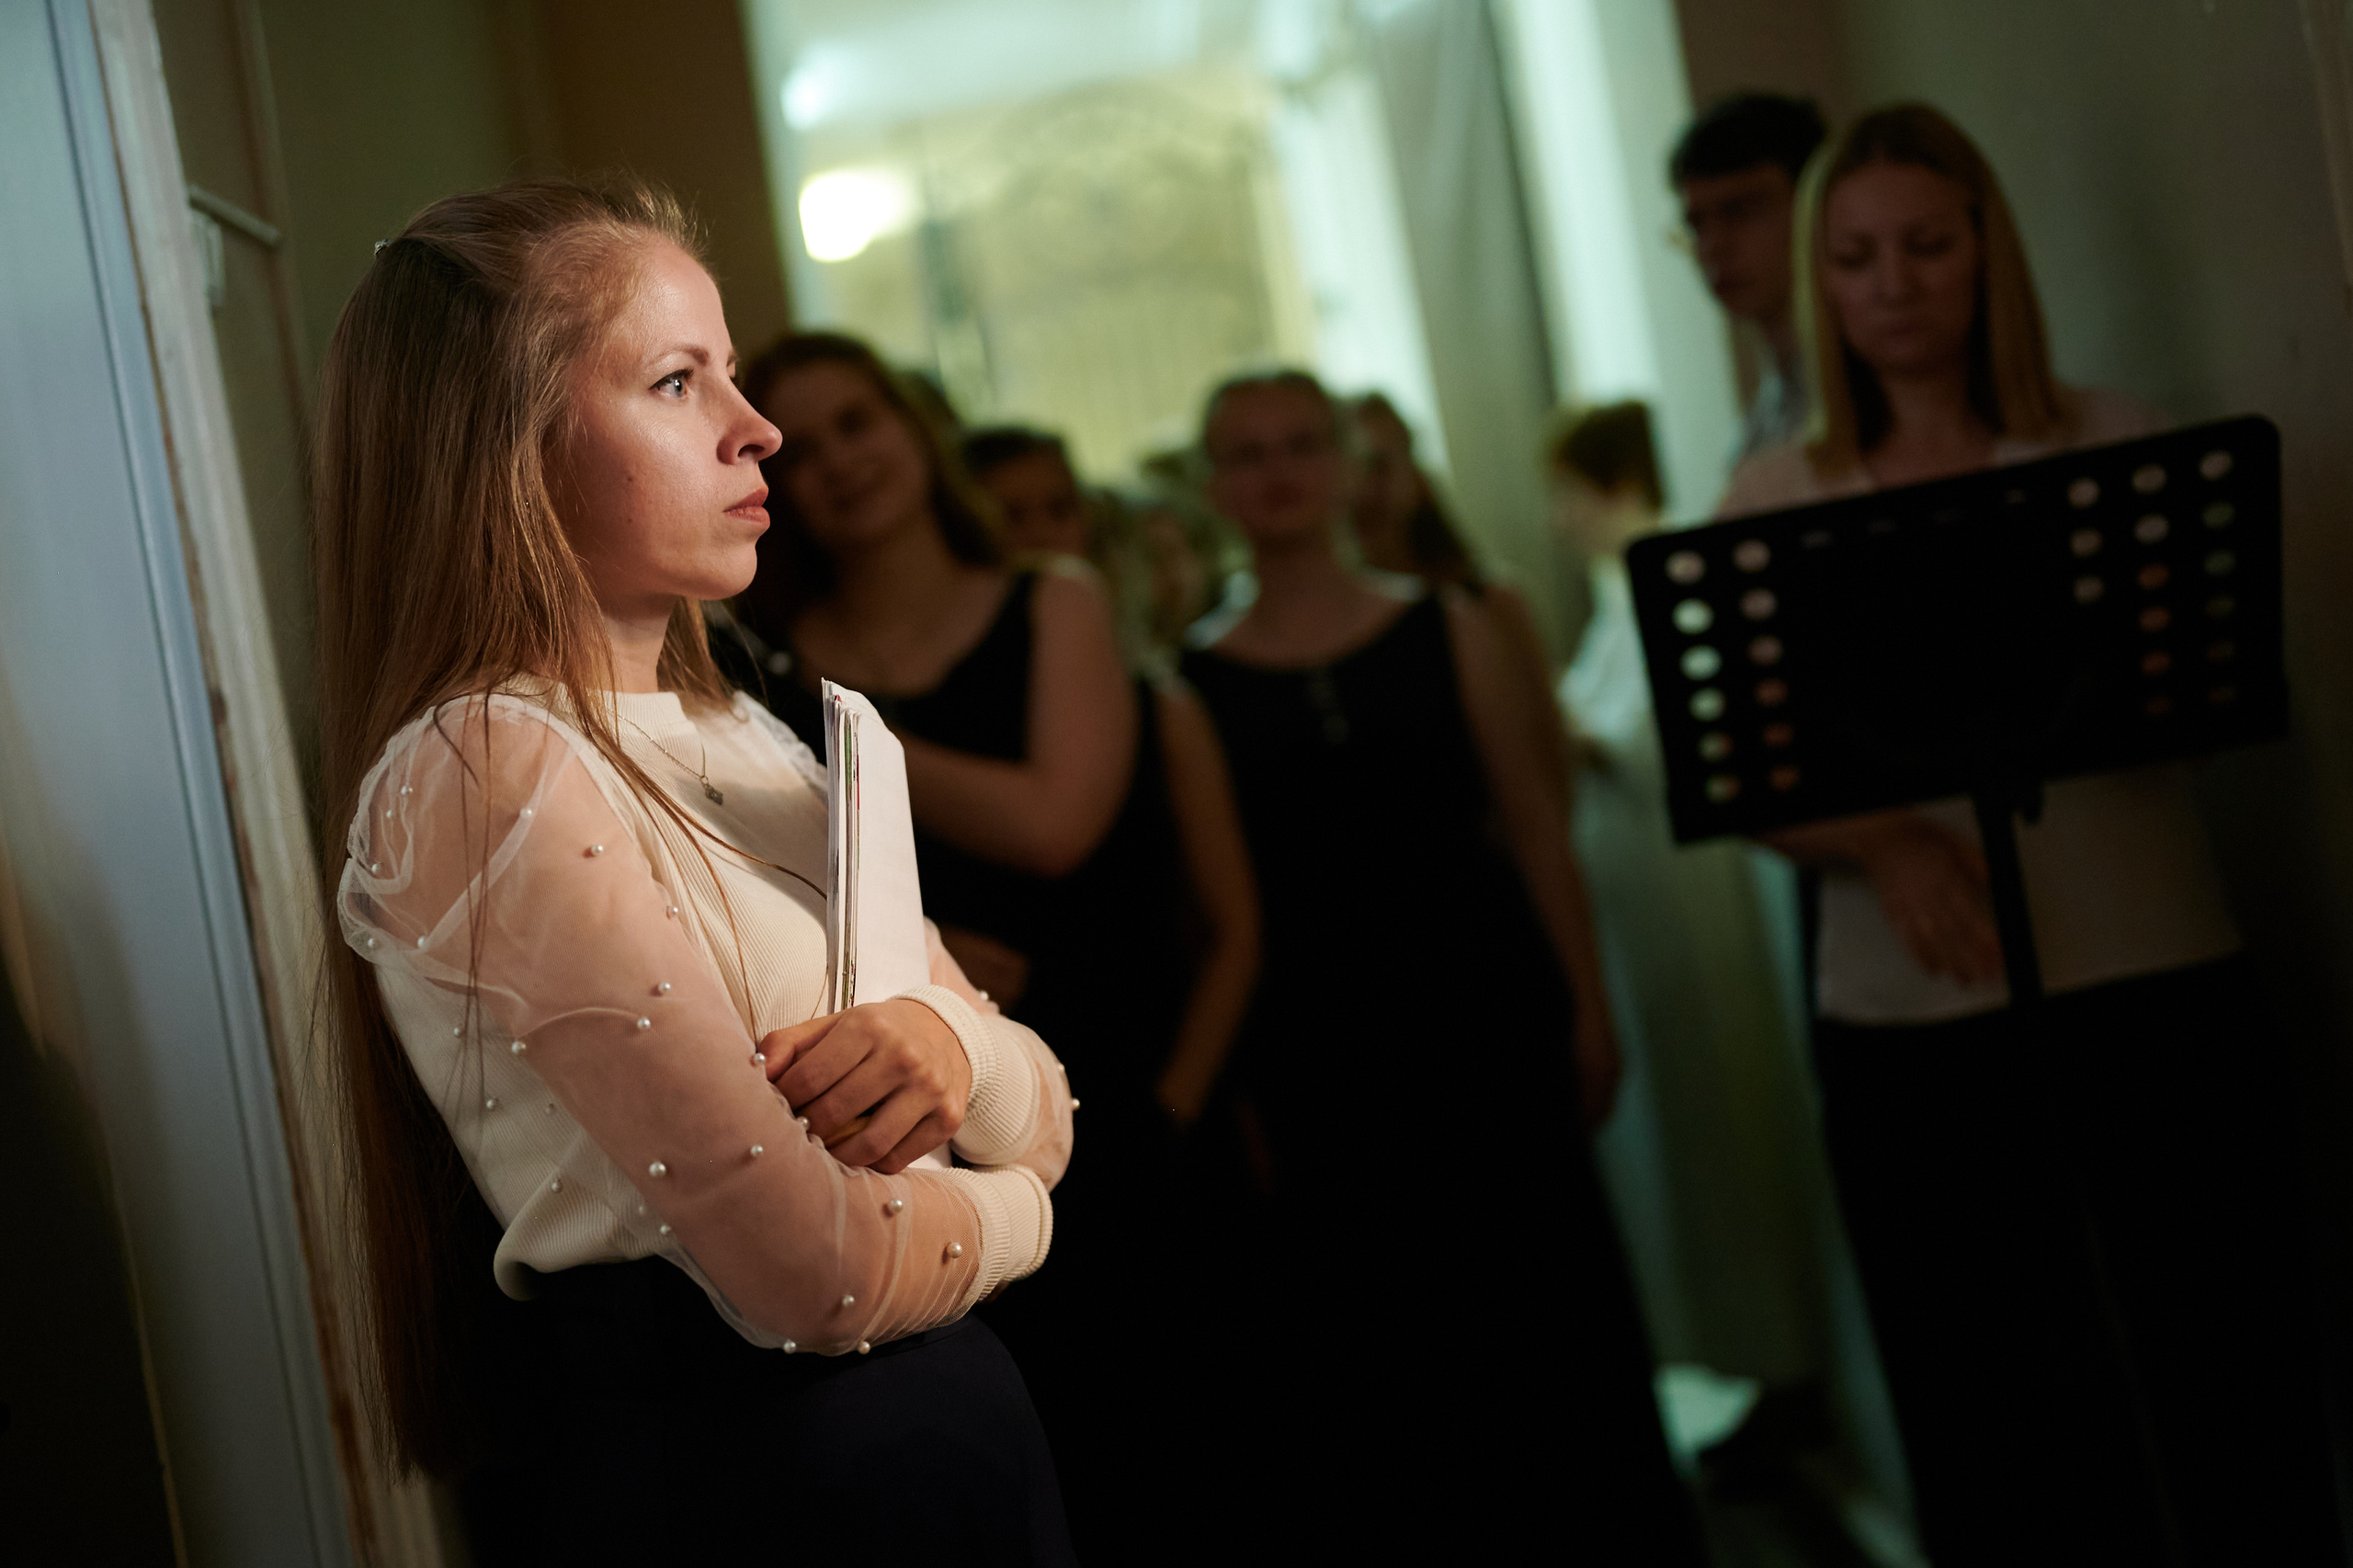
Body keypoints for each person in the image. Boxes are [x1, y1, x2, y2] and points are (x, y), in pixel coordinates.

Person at [313, 178, 1076, 1562]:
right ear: (510, 443)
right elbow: (815, 1273)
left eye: (728, 370)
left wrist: (953, 1055)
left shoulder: (741, 724)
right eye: (678, 381)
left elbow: (1035, 1097)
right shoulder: (487, 763)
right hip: (760, 1477)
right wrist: (1023, 1199)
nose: (758, 426)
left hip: (938, 1449)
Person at [1722, 104, 2343, 1566]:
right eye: (1859, 256)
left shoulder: (2116, 443)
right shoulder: (1776, 495)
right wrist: (1888, 838)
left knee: (2227, 1363)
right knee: (1996, 1394)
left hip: (2152, 971)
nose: (1895, 285)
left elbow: (2194, 706)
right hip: (1916, 1010)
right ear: (1824, 280)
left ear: (1989, 252)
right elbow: (1753, 776)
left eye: (1929, 246)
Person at [730, 336, 1261, 1563]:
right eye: (804, 447)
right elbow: (784, 879)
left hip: (1122, 1067)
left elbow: (1056, 822)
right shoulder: (774, 647)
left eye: (860, 420)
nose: (843, 463)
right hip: (935, 1106)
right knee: (1053, 1452)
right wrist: (929, 947)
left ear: (914, 425)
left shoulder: (1050, 596)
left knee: (1204, 1439)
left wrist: (861, 728)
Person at [1179, 369, 1703, 1562]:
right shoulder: (1194, 683)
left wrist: (1587, 999)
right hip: (1326, 1050)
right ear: (1217, 485)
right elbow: (1229, 912)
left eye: (1302, 444)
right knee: (1388, 1348)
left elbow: (1534, 822)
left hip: (1485, 1009)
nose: (1278, 471)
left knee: (1546, 1313)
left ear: (1348, 464)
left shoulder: (1444, 624)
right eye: (1249, 452)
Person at [1552, 402, 1850, 1465]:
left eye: (1564, 491)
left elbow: (1645, 739)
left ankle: (1782, 1370)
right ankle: (1747, 1368)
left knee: (1728, 1137)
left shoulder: (1653, 578)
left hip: (1677, 898)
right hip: (1638, 901)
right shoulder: (1614, 592)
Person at [1346, 391, 1568, 801]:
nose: (1362, 489)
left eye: (1378, 465)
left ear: (1412, 474)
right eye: (1348, 468)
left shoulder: (1491, 604)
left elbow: (1550, 761)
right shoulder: (1328, 632)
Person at [1669, 92, 1829, 460]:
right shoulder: (1760, 426)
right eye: (1696, 224)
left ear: (1814, 207)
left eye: (1740, 211)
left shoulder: (1882, 396)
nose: (1713, 245)